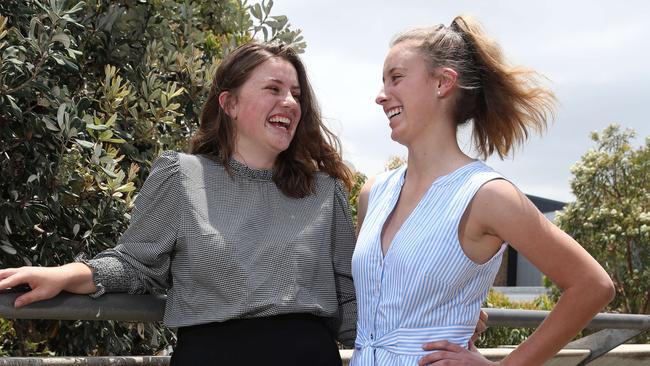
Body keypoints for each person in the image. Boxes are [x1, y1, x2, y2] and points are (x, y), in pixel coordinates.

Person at [0, 42, 357, 366]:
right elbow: (136, 264)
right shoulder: (181, 176)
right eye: (273, 89)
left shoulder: (325, 192)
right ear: (229, 103)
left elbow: (353, 301)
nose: (291, 103)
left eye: (296, 94)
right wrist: (64, 275)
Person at [351, 15, 615, 366]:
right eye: (383, 81)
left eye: (396, 78)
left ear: (443, 83)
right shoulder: (374, 191)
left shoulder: (486, 195)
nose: (381, 96)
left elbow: (593, 285)